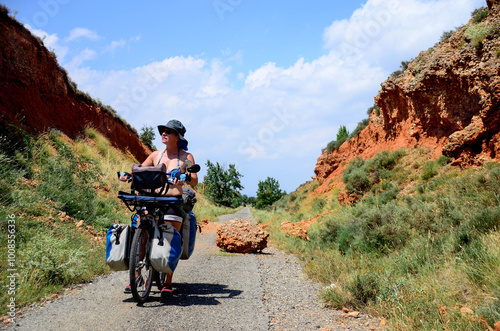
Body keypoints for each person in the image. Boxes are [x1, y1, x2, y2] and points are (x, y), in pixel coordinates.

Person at [120, 119, 198, 298]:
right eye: (163, 130)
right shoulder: (156, 155)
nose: (164, 133)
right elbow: (139, 169)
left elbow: (194, 180)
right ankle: (137, 276)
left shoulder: (186, 157)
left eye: (168, 131)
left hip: (172, 202)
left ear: (177, 137)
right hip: (152, 199)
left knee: (170, 238)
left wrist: (185, 178)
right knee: (140, 230)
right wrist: (127, 175)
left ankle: (168, 280)